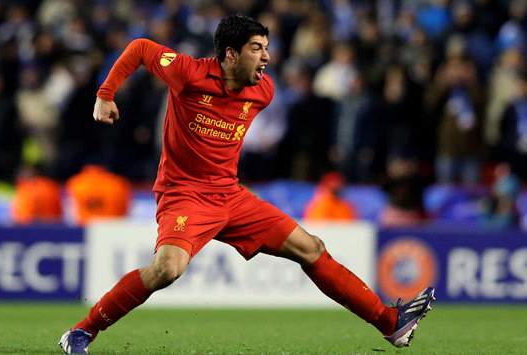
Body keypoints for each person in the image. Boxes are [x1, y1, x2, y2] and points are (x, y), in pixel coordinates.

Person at [58, 15, 435, 355]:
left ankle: (390, 322)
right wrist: (105, 95)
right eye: (257, 49)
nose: (266, 57)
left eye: (267, 48)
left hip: (232, 196)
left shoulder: (262, 91)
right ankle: (81, 331)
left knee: (311, 247)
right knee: (167, 269)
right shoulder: (188, 73)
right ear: (230, 54)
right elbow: (140, 48)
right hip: (184, 195)